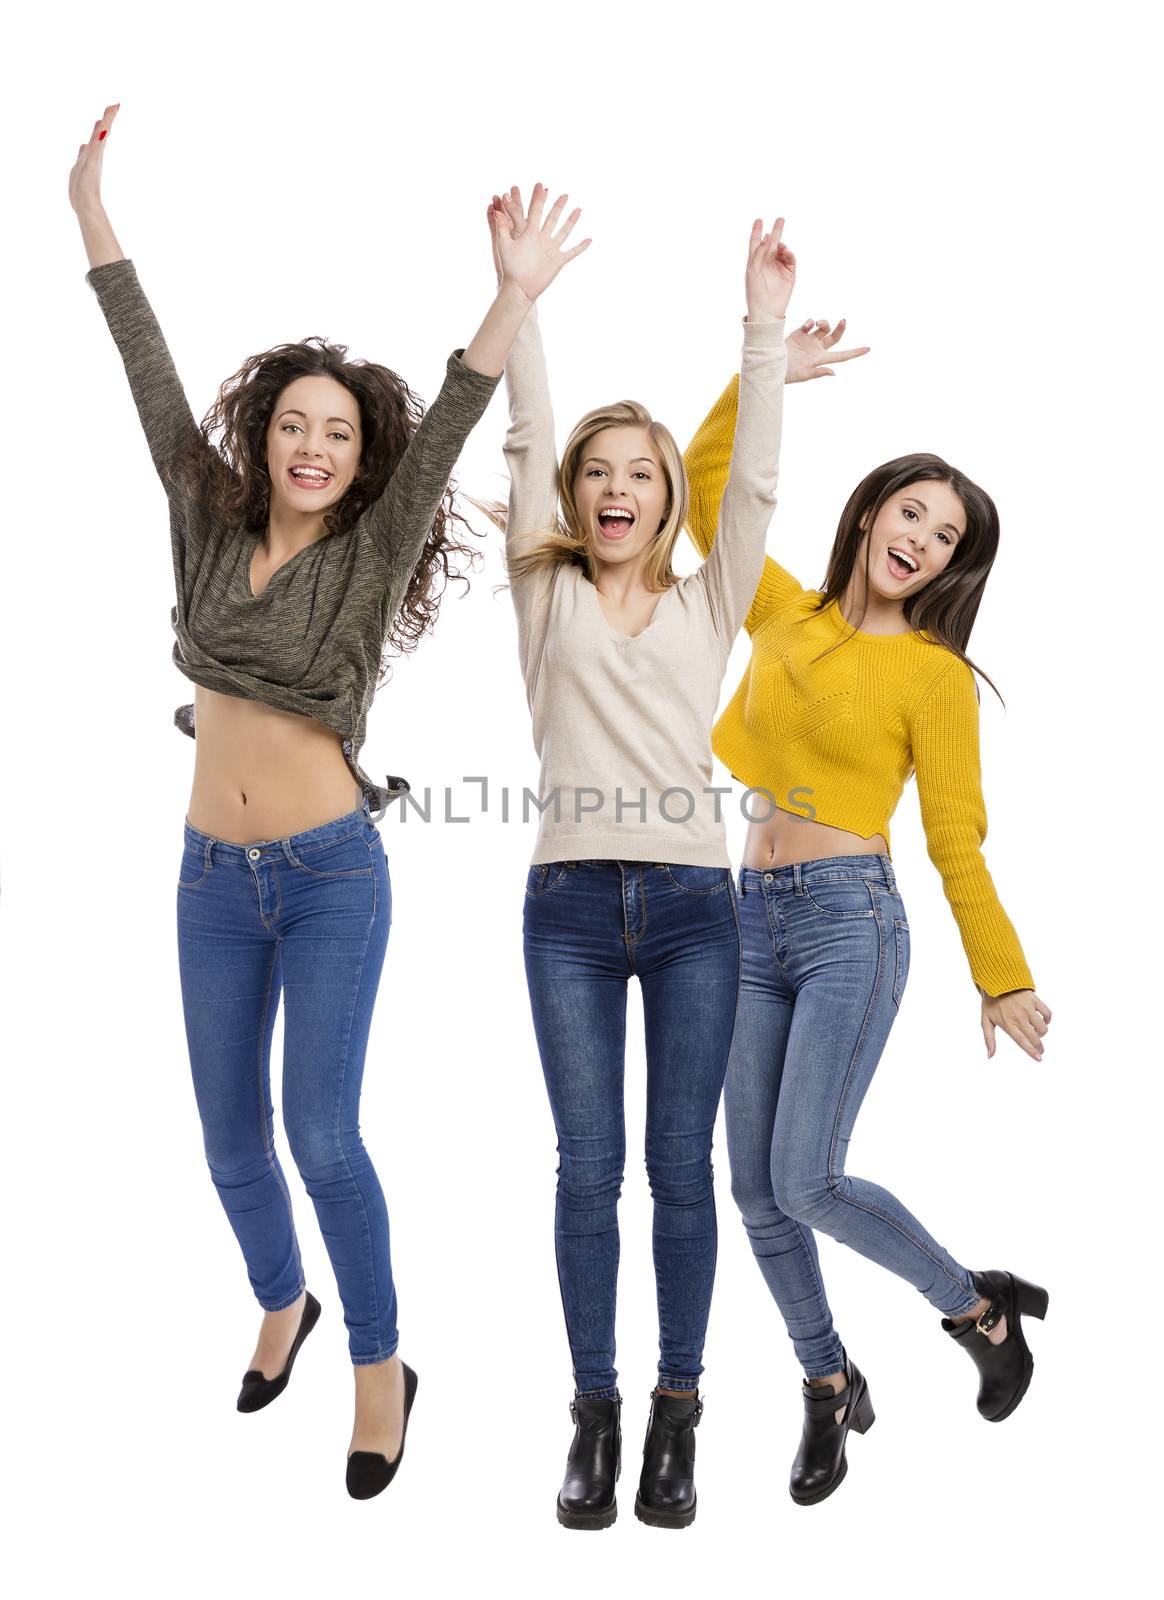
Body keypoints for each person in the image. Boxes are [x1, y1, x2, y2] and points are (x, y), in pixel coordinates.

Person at [71, 104, 582, 1499]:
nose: (311, 447)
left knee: (322, 1133)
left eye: (335, 435)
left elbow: (455, 418)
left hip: (329, 872)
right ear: (263, 437)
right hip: (207, 880)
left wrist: (511, 294)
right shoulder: (206, 517)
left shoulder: (365, 556)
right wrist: (94, 216)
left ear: (362, 460)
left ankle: (379, 1365)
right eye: (292, 425)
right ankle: (278, 1297)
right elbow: (146, 370)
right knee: (229, 1143)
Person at [681, 363, 1053, 1506]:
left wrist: (1001, 976)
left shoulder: (933, 678)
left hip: (851, 922)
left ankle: (972, 1304)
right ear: (870, 512)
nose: (923, 542)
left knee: (806, 1178)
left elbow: (955, 837)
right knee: (752, 1186)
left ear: (949, 568)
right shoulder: (782, 607)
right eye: (913, 514)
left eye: (946, 539)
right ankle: (829, 1380)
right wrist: (761, 374)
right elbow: (703, 489)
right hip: (748, 917)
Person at [489, 184, 795, 1528]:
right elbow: (527, 427)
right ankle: (593, 1414)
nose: (616, 488)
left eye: (642, 475)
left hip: (690, 910)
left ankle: (679, 1411)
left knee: (679, 1166)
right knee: (585, 1169)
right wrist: (524, 298)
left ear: (671, 500)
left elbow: (765, 479)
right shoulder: (543, 587)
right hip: (564, 903)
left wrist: (763, 328)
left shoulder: (711, 597)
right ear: (578, 498)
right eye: (599, 474)